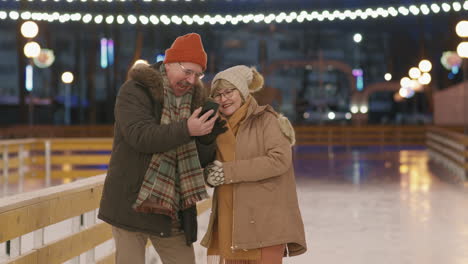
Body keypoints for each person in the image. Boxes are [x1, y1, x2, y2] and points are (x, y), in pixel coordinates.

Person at [98, 33, 226, 264]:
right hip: (131, 203)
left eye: (197, 74)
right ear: (168, 64)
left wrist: (207, 137)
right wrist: (187, 129)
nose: (191, 80)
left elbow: (199, 162)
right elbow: (141, 137)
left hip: (171, 209)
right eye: (187, 72)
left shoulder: (195, 102)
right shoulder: (135, 91)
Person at [201, 65, 307, 264]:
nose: (224, 99)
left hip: (264, 222)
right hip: (229, 219)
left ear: (242, 91)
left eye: (229, 92)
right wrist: (208, 173)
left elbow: (279, 160)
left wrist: (227, 172)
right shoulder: (214, 126)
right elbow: (209, 164)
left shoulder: (267, 120)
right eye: (217, 94)